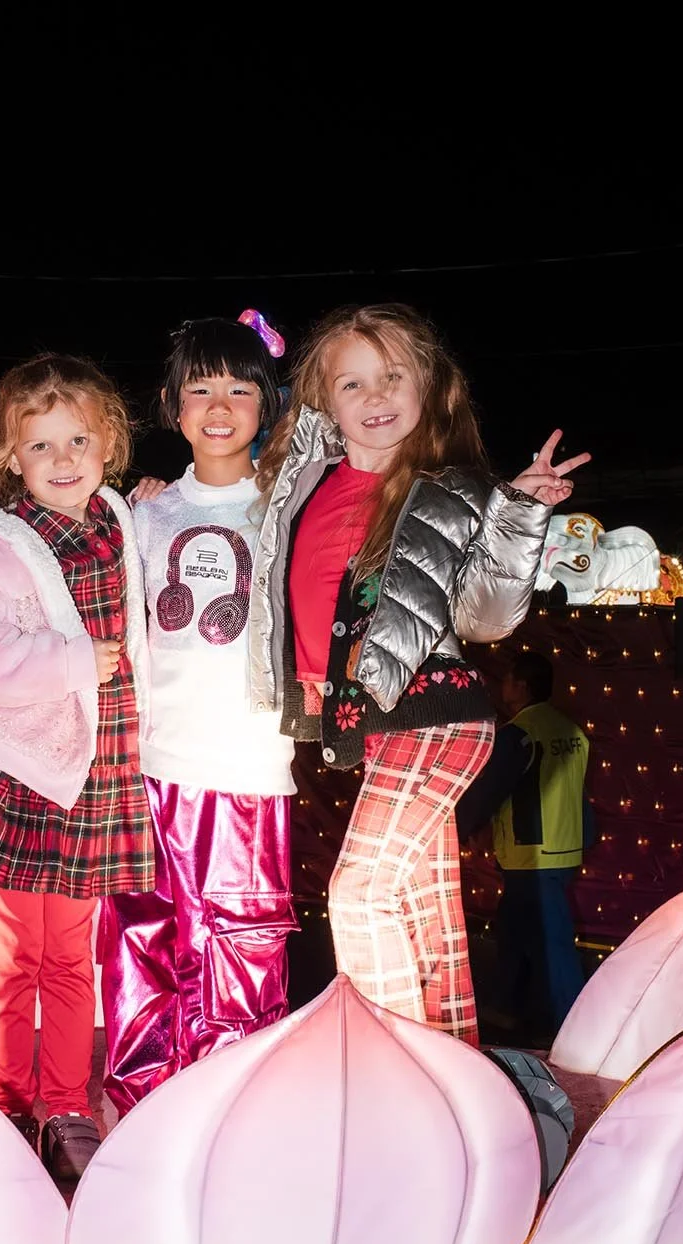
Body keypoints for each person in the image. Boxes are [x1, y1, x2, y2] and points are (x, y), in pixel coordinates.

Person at [248, 303, 589, 1044]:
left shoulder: (451, 489)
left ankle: (394, 1071)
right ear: (322, 400)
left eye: (392, 377)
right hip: (375, 724)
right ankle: (452, 1062)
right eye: (352, 383)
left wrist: (520, 512)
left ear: (428, 389)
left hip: (434, 712)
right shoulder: (299, 486)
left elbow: (486, 618)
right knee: (421, 904)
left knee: (361, 892)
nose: (374, 398)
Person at [0, 354, 153, 1182]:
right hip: (20, 780)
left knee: (70, 957)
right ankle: (11, 1104)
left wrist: (154, 504)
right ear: (9, 458)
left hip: (94, 780)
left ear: (109, 443)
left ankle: (64, 1104)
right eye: (41, 444)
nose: (63, 459)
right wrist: (67, 662)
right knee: (13, 956)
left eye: (79, 439)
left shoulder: (119, 524)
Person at [102, 316, 299, 1114]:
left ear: (269, 404)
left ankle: (230, 1111)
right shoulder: (138, 516)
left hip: (248, 771)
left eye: (240, 388)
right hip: (148, 767)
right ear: (170, 406)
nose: (220, 405)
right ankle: (143, 1105)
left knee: (241, 947)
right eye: (201, 388)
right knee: (140, 938)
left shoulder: (290, 511)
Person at [457, 649, 592, 1040]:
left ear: (523, 686)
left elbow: (489, 792)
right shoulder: (573, 732)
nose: (504, 685)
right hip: (563, 849)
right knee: (515, 929)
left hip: (531, 853)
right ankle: (505, 1006)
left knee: (553, 942)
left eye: (509, 679)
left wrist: (460, 827)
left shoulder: (519, 735)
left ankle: (575, 1023)